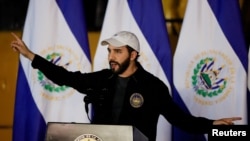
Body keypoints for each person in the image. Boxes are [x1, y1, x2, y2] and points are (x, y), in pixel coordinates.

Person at [10, 31, 241, 141]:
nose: (111, 56)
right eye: (109, 51)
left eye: (117, 51)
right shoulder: (101, 79)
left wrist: (212, 125)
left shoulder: (153, 86)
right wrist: (31, 56)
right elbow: (65, 77)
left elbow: (180, 120)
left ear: (133, 55)